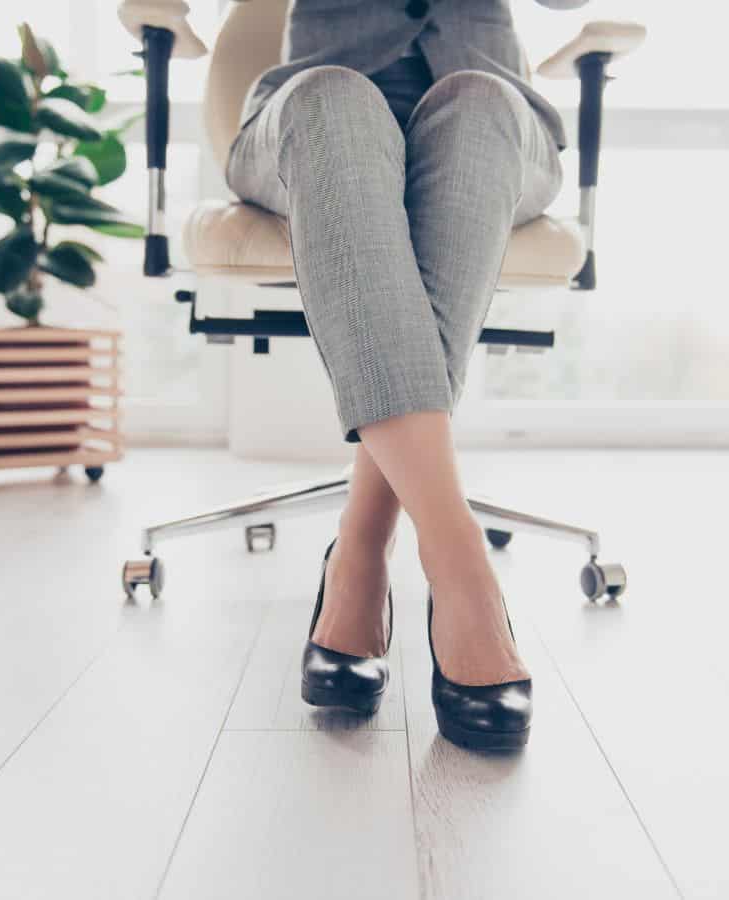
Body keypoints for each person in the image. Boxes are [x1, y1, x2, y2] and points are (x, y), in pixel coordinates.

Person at [224, 0, 587, 750]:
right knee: (336, 101)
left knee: (476, 104)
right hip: (310, 107)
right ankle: (460, 567)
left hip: (489, 111)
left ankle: (360, 548)